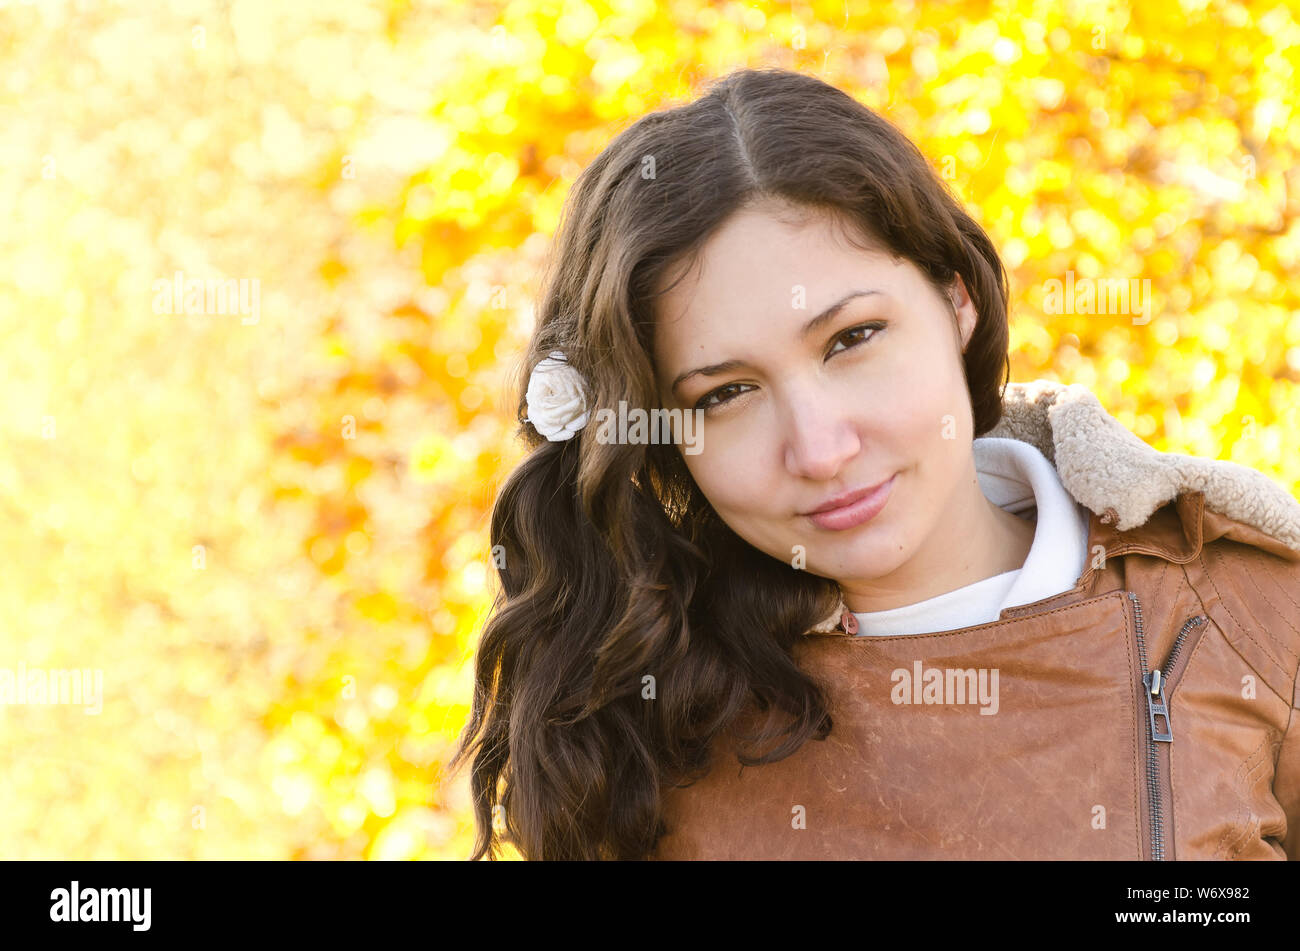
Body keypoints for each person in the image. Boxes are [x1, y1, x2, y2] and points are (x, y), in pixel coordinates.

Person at [449, 66, 1300, 860]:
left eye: (852, 338)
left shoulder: (1245, 614)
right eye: (725, 393)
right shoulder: (631, 716)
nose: (821, 450)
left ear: (956, 299)